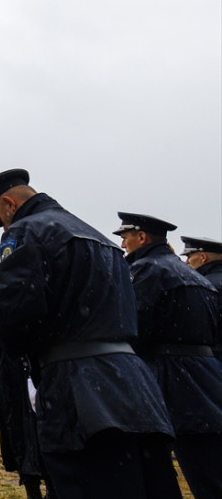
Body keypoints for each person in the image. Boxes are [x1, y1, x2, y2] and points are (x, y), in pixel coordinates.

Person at [0, 169, 178, 499]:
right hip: (136, 387)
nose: (5, 228)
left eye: (1, 219)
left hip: (78, 392)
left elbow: (9, 316)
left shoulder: (27, 231)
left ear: (9, 205)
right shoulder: (101, 238)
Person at [113, 213, 222, 499]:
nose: (123, 244)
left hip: (172, 378)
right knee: (210, 465)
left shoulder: (148, 271)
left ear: (142, 237)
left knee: (193, 469)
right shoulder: (191, 274)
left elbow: (133, 326)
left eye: (125, 237)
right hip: (206, 374)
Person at [0, 260, 51, 499]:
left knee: (24, 430)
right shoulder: (4, 298)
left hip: (13, 370)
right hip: (7, 369)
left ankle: (36, 483)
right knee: (17, 430)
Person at [180, 235, 222, 359]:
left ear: (203, 257)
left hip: (211, 356)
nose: (186, 262)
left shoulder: (203, 285)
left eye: (189, 256)